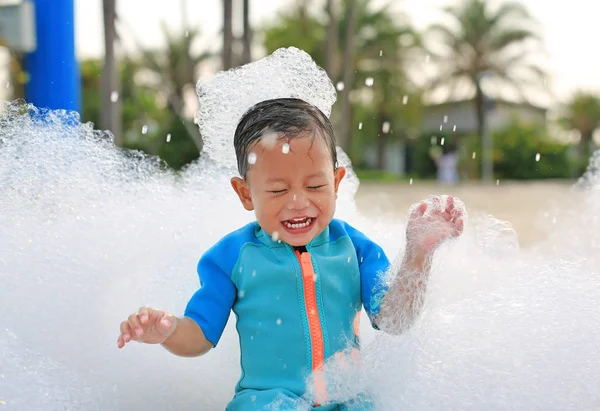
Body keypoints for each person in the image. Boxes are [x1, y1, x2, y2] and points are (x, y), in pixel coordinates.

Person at [117, 98, 465, 410]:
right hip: (267, 401)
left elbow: (395, 321)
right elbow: (199, 336)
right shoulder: (230, 258)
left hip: (347, 398)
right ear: (245, 193)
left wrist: (419, 255)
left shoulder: (355, 249)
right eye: (278, 190)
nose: (298, 202)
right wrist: (166, 331)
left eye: (315, 186)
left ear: (337, 181)